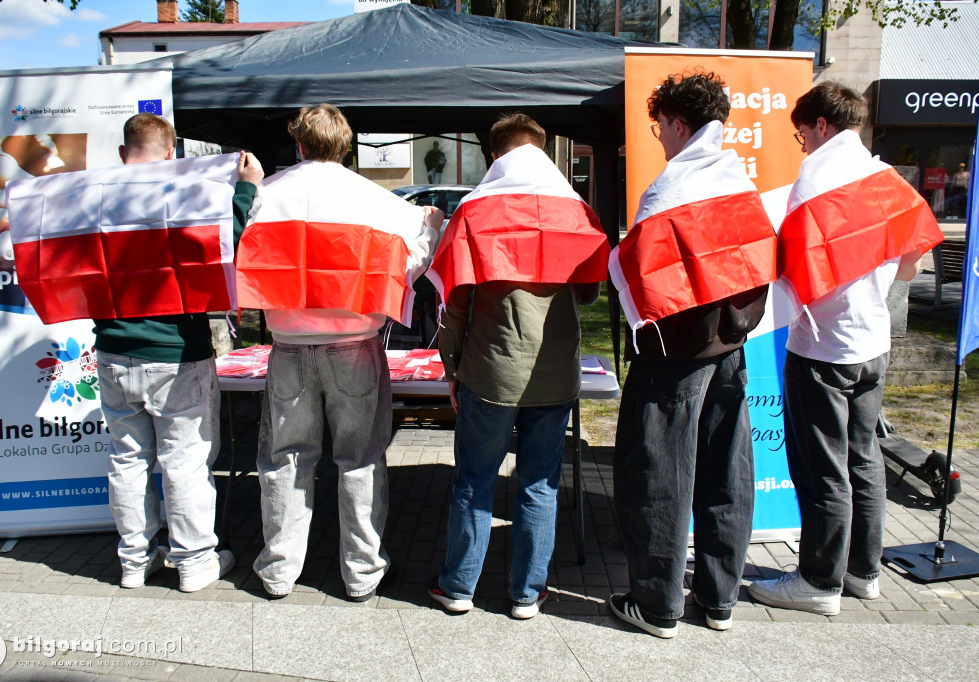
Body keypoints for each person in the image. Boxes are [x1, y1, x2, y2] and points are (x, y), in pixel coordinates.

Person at [748, 82, 935, 616]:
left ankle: (818, 581)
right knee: (864, 459)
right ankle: (862, 573)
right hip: (873, 343)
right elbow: (911, 264)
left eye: (801, 132)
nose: (801, 143)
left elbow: (793, 269)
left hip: (824, 347)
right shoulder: (885, 178)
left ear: (821, 126)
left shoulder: (817, 178)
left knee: (821, 467)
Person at [247, 104, 442, 600]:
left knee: (285, 461)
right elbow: (407, 268)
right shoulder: (375, 200)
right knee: (360, 459)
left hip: (289, 346)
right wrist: (431, 229)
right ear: (348, 147)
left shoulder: (267, 194)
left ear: (298, 143)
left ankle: (278, 572)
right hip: (355, 346)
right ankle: (362, 573)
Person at [427, 113, 605, 620]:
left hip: (489, 369)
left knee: (474, 479)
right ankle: (528, 593)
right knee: (539, 482)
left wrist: (452, 368)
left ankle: (459, 587)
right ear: (543, 150)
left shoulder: (473, 211)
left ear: (493, 154)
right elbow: (590, 291)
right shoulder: (577, 209)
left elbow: (454, 303)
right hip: (555, 374)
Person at [610, 72, 769, 639]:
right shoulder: (737, 183)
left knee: (659, 474)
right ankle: (719, 598)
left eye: (660, 128)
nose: (659, 139)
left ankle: (657, 605)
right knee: (728, 470)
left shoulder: (671, 189)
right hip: (733, 347)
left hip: (675, 354)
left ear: (679, 124)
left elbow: (637, 276)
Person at [97, 113, 264, 592]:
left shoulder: (98, 198)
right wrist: (247, 188)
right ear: (171, 153)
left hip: (113, 350)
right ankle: (193, 562)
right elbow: (218, 243)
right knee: (184, 461)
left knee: (127, 460)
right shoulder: (179, 194)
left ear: (124, 152)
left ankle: (133, 561)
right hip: (176, 352)